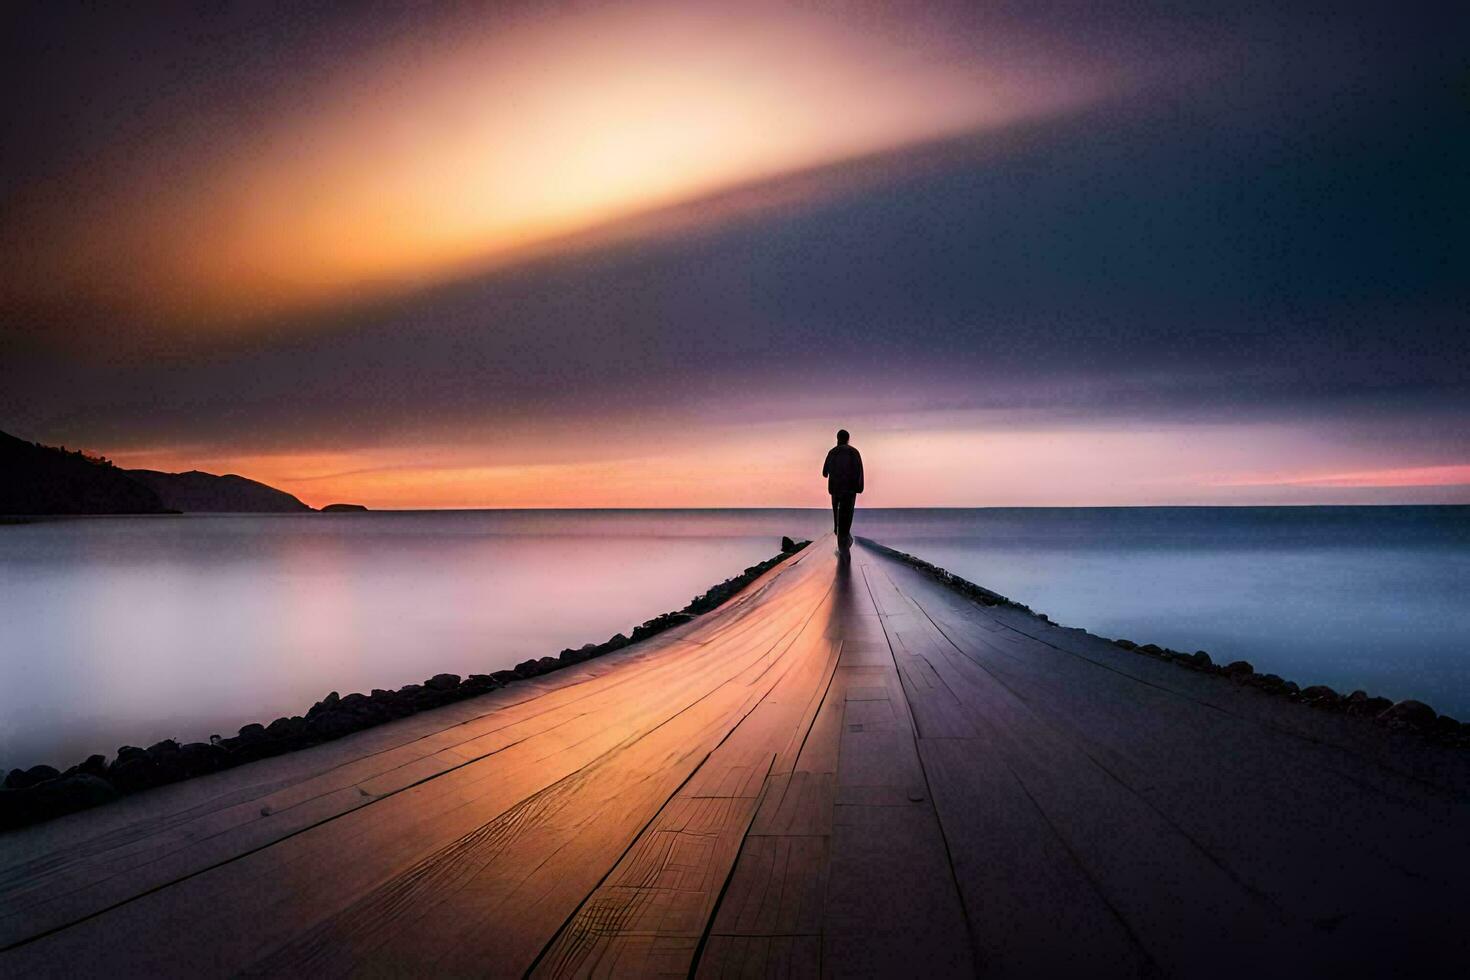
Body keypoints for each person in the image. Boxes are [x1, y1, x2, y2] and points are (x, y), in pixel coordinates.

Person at [822, 429, 863, 548]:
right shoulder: (854, 452)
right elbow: (859, 471)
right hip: (850, 489)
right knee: (848, 512)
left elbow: (824, 473)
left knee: (836, 511)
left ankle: (837, 530)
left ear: (837, 438)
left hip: (835, 488)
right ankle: (845, 535)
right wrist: (858, 487)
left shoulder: (832, 452)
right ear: (848, 439)